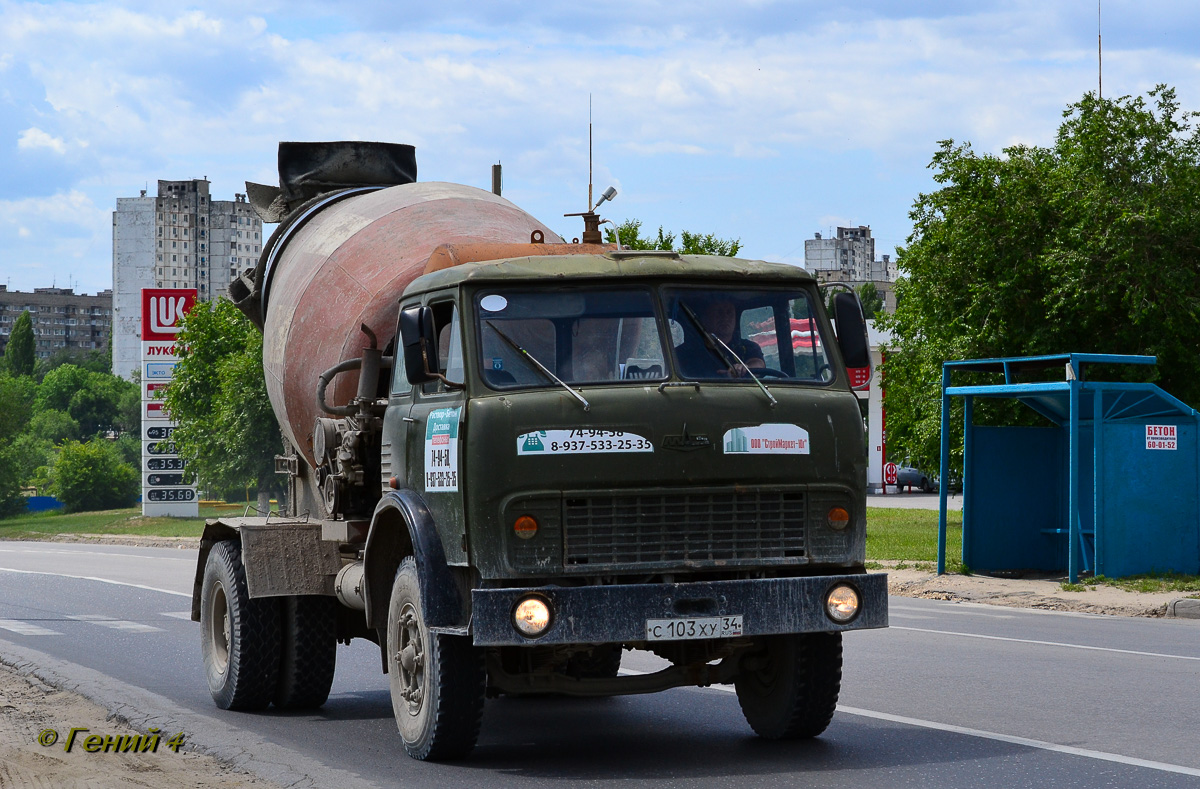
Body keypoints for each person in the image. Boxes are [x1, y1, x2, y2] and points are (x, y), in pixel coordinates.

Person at [674, 298, 764, 378]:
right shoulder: (685, 353)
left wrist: (744, 369)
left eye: (729, 312)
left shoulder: (747, 347)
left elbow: (758, 363)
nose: (725, 317)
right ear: (705, 319)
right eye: (719, 312)